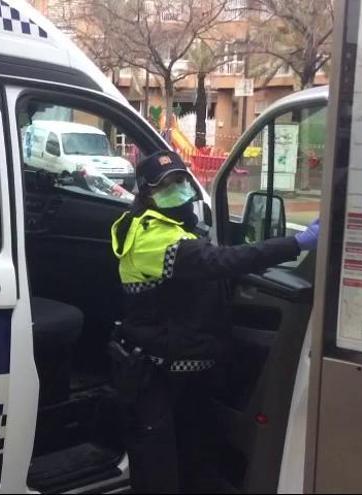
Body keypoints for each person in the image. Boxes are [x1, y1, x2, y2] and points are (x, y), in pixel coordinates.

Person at [109, 151, 320, 493]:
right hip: (157, 373)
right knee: (160, 473)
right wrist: (296, 243)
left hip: (179, 368)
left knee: (194, 459)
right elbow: (215, 261)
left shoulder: (175, 227)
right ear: (146, 193)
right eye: (166, 184)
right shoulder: (149, 236)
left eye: (181, 180)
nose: (178, 188)